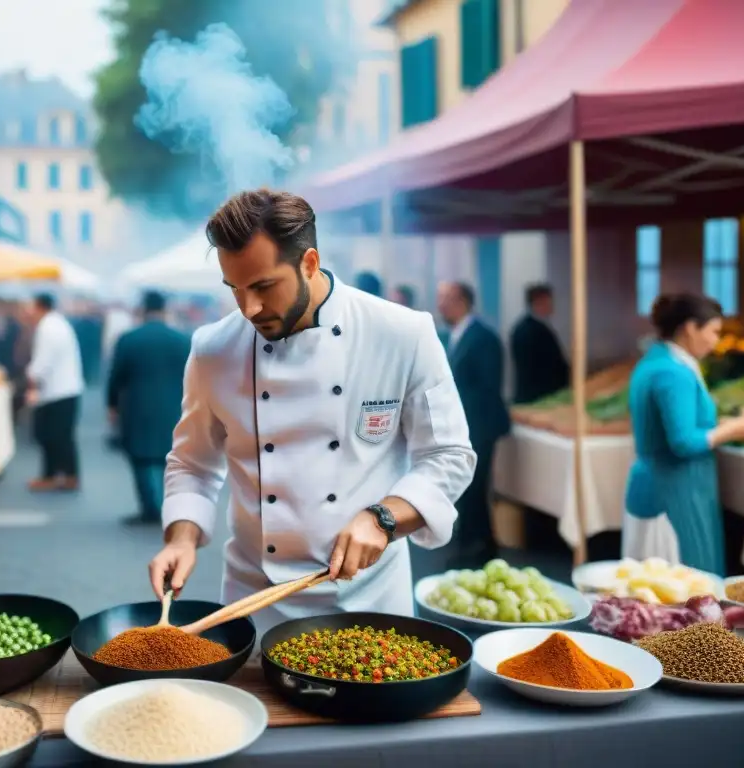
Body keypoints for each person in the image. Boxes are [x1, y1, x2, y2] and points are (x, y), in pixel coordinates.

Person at [147, 189, 476, 637]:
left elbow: (449, 456)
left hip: (370, 596)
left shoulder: (402, 334)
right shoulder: (213, 350)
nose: (249, 309)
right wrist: (181, 538)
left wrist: (383, 517)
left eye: (263, 286)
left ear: (310, 263)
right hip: (254, 599)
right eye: (235, 290)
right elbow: (192, 463)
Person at [624, 294, 744, 574]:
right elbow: (683, 442)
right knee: (684, 596)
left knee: (647, 599)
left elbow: (678, 423)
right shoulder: (673, 372)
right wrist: (735, 429)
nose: (716, 341)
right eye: (714, 332)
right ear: (691, 328)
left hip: (656, 487)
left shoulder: (654, 362)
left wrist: (733, 420)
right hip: (674, 494)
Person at [437, 281, 511, 567]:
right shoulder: (452, 335)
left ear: (463, 301)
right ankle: (475, 544)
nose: (441, 304)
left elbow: (487, 388)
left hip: (480, 424)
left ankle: (476, 548)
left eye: (446, 298)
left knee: (476, 486)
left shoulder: (483, 337)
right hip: (464, 425)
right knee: (468, 488)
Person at [107, 291, 191, 526]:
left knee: (141, 458)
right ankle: (171, 506)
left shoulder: (128, 339)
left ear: (143, 310)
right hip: (174, 406)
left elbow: (116, 376)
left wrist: (112, 404)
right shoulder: (183, 339)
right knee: (171, 459)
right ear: (165, 310)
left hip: (137, 407)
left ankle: (150, 509)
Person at [26, 293, 83, 492]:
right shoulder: (57, 323)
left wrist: (32, 377)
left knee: (52, 436)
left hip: (57, 391)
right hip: (64, 389)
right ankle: (66, 475)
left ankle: (56, 476)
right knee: (61, 436)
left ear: (39, 306)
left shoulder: (48, 326)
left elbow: (43, 360)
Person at [510, 284, 570, 405]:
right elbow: (543, 368)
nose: (552, 305)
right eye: (549, 301)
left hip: (534, 396)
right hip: (539, 399)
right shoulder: (533, 331)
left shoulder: (524, 327)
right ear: (538, 302)